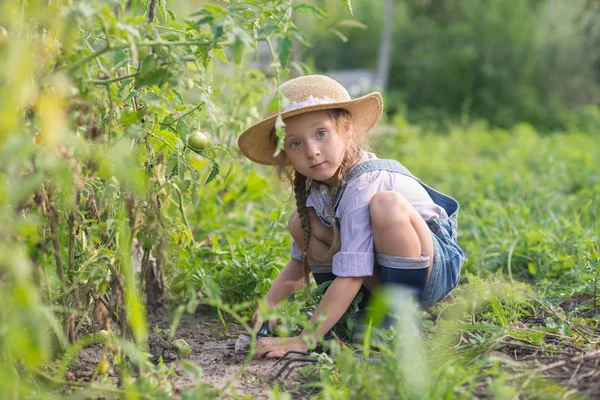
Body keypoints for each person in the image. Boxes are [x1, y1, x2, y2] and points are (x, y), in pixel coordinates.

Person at [237, 75, 464, 358]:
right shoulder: (315, 188)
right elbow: (300, 264)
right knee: (300, 222)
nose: (312, 151)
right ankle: (363, 310)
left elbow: (354, 273)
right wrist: (269, 305)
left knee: (386, 205)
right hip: (380, 271)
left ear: (346, 130)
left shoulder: (364, 182)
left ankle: (399, 319)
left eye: (321, 133)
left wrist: (305, 338)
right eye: (295, 144)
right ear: (284, 154)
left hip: (431, 268)